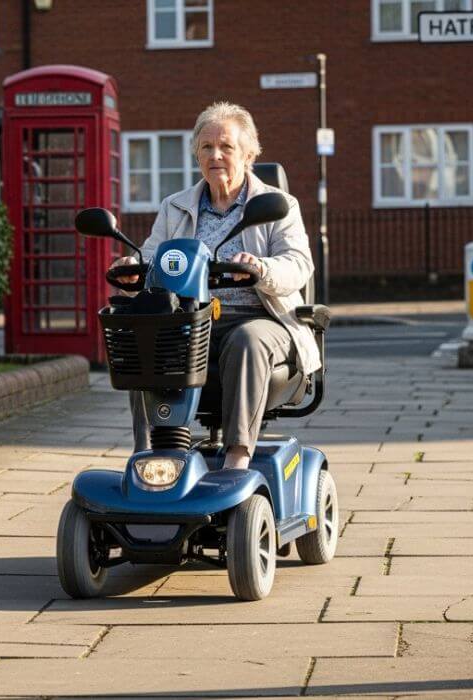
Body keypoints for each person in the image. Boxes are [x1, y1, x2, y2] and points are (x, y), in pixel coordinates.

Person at [111, 102, 319, 469]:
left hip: (261, 317)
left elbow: (299, 265)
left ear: (249, 154)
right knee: (147, 335)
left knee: (246, 340)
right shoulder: (175, 207)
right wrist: (132, 272)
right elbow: (151, 261)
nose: (216, 155)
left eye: (226, 147)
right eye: (206, 147)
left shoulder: (278, 205)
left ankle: (237, 457)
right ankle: (151, 457)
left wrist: (261, 269)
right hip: (192, 319)